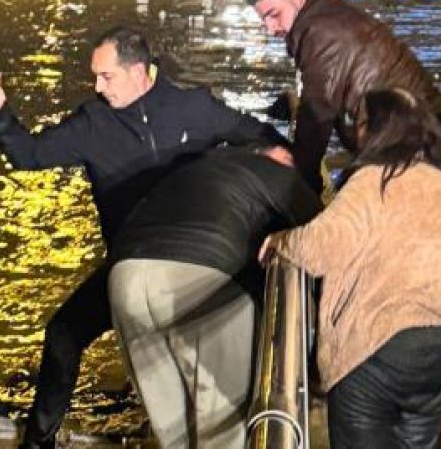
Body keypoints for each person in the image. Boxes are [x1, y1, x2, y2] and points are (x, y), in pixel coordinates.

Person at [0, 25, 290, 449]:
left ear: (140, 71)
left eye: (106, 76)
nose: (97, 86)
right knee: (62, 336)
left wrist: (271, 152)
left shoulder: (192, 107)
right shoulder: (93, 123)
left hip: (198, 258)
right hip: (133, 261)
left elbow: (255, 133)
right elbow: (28, 155)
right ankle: (39, 441)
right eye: (95, 77)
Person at [262, 88, 441, 449]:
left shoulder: (371, 182)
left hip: (374, 352)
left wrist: (279, 242)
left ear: (378, 130)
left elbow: (318, 248)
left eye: (360, 123)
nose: (354, 131)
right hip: (436, 352)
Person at [108, 149, 320, 449]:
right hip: (198, 280)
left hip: (125, 277)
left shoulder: (201, 169)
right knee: (224, 423)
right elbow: (323, 234)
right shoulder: (278, 172)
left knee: (173, 430)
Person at [245, 0, 441, 193]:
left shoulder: (320, 32)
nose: (270, 28)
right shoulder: (323, 10)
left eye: (274, 15)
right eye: (264, 20)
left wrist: (301, 187)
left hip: (406, 146)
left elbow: (317, 113)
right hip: (418, 134)